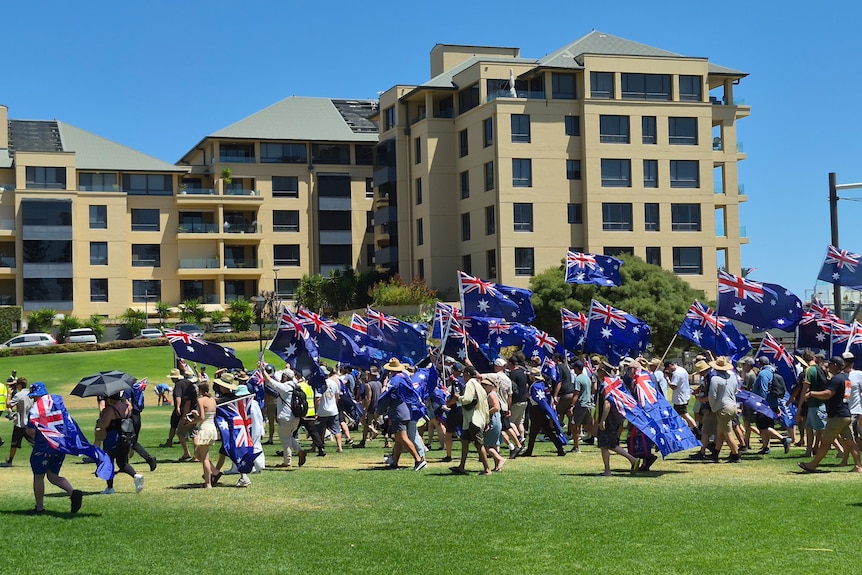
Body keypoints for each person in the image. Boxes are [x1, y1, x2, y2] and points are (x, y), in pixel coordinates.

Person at [25, 382, 83, 514]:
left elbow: (30, 431)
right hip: (60, 445)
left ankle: (39, 508)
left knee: (38, 476)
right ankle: (73, 493)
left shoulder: (36, 408)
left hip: (43, 446)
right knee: (52, 475)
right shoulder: (57, 402)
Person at [799, 356, 862, 473]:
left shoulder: (837, 379)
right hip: (845, 414)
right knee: (850, 441)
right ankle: (858, 466)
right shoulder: (846, 379)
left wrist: (812, 393)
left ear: (836, 366)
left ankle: (813, 465)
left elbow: (828, 394)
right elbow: (846, 397)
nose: (828, 367)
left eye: (831, 364)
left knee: (825, 441)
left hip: (837, 416)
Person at [377, 359, 426, 471]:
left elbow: (386, 396)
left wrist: (379, 410)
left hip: (398, 413)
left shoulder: (394, 381)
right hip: (406, 411)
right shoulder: (405, 378)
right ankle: (395, 462)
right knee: (398, 439)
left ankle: (419, 460)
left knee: (403, 438)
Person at [595, 366, 640, 476]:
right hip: (617, 417)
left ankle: (607, 470)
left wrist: (602, 421)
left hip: (609, 418)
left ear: (602, 372)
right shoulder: (616, 382)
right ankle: (632, 460)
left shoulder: (606, 385)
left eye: (598, 370)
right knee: (612, 444)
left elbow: (607, 403)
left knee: (604, 445)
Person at [96, 393, 144, 494]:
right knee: (123, 463)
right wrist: (125, 400)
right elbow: (129, 408)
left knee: (108, 462)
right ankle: (136, 476)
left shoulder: (110, 409)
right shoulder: (125, 406)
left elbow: (104, 424)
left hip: (112, 438)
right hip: (125, 437)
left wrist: (101, 418)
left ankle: (110, 488)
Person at [449, 365, 491, 475]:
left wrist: (458, 398)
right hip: (475, 419)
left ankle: (487, 469)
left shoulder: (470, 384)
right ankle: (461, 466)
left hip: (473, 419)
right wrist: (486, 420)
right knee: (464, 442)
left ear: (467, 374)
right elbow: (486, 406)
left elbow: (467, 399)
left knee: (479, 444)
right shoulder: (480, 386)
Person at [263, 367, 307, 468]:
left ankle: (287, 462)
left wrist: (262, 370)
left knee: (285, 440)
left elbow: (270, 382)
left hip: (286, 417)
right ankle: (299, 451)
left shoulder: (285, 388)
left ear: (286, 377)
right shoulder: (295, 386)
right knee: (288, 437)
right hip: (295, 417)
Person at [752, 356, 792, 455]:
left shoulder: (763, 374)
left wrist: (760, 403)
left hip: (765, 404)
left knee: (763, 427)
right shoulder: (772, 372)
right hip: (772, 403)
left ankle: (783, 440)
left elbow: (763, 390)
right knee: (767, 425)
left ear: (760, 363)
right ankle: (766, 447)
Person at [707, 357, 741, 463]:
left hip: (723, 408)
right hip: (733, 406)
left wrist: (713, 407)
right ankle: (716, 453)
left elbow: (712, 395)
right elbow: (735, 391)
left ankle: (736, 455)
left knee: (727, 433)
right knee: (720, 431)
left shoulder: (715, 379)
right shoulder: (733, 377)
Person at [159, 368, 194, 461]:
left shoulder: (178, 385)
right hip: (190, 408)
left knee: (174, 426)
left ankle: (170, 441)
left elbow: (178, 396)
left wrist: (178, 407)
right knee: (192, 430)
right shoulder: (187, 382)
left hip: (182, 409)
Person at [189, 381, 218, 488]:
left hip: (205, 429)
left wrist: (191, 421)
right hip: (212, 428)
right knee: (199, 454)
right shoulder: (212, 400)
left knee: (204, 457)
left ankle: (208, 483)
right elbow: (206, 415)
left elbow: (201, 418)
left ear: (199, 390)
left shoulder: (201, 400)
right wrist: (197, 414)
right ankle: (214, 471)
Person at [2, 378, 31, 466]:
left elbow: (8, 405)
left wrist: (9, 394)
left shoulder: (19, 395)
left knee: (14, 444)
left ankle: (10, 461)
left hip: (20, 423)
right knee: (35, 442)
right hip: (30, 423)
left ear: (19, 385)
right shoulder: (31, 394)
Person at [481, 374, 506, 472]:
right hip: (496, 420)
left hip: (493, 421)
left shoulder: (491, 394)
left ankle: (500, 459)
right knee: (494, 444)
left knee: (486, 445)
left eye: (485, 385)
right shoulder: (493, 394)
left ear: (491, 386)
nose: (484, 387)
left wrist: (485, 413)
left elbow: (496, 407)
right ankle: (497, 466)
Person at [665, 360, 697, 431]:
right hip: (685, 394)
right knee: (678, 415)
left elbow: (673, 386)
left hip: (680, 398)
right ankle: (682, 428)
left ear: (670, 366)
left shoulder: (676, 373)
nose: (669, 371)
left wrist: (667, 379)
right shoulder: (683, 370)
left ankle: (696, 430)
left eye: (668, 369)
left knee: (684, 414)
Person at [316, 366, 343, 453]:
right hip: (333, 410)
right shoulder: (334, 383)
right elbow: (337, 396)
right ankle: (339, 447)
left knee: (320, 430)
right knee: (336, 430)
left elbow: (318, 399)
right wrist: (334, 404)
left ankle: (321, 446)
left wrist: (316, 410)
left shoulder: (319, 384)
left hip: (322, 410)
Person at [569, 360, 593, 453]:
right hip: (588, 404)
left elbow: (576, 393)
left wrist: (572, 405)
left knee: (574, 425)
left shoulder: (578, 379)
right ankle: (603, 441)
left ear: (577, 368)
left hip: (580, 404)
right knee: (588, 426)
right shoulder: (587, 378)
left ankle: (576, 447)